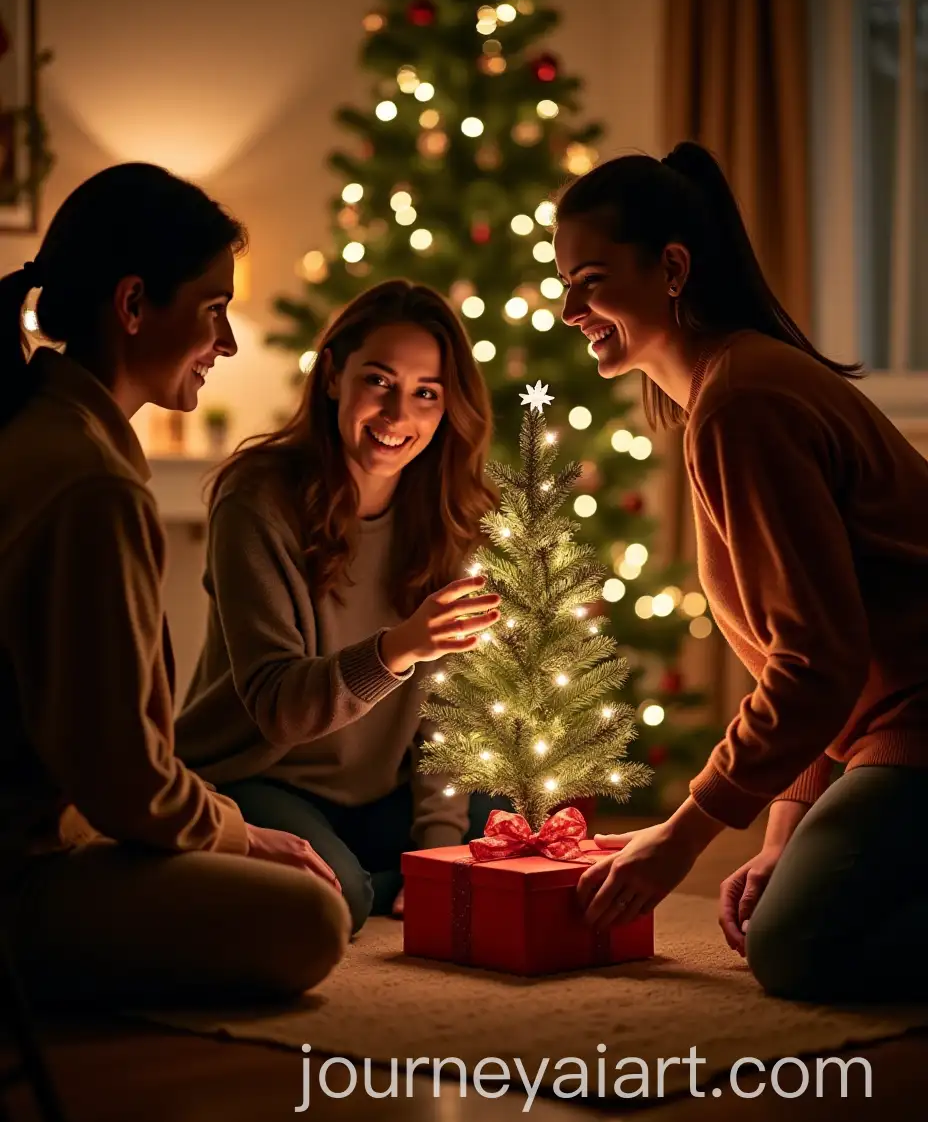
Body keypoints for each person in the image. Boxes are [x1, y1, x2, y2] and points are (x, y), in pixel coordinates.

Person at [553, 142, 928, 1003]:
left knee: (799, 951)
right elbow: (803, 656)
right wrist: (781, 834)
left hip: (919, 723)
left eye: (592, 279)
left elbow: (818, 663)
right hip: (876, 732)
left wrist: (685, 834)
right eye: (566, 282)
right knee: (791, 915)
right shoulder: (728, 392)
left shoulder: (744, 404)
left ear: (673, 268)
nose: (570, 308)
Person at [0, 163, 351, 1008]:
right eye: (212, 310)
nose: (226, 344)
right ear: (131, 306)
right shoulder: (92, 485)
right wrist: (238, 835)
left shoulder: (40, 431)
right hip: (24, 873)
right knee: (310, 914)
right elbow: (126, 784)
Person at [175, 279, 505, 934]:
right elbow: (278, 705)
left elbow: (445, 722)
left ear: (447, 409)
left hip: (375, 790)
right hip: (258, 776)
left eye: (425, 394)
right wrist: (400, 646)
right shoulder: (257, 499)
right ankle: (368, 884)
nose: (396, 414)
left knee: (502, 827)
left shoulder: (453, 519)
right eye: (377, 381)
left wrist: (436, 851)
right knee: (334, 902)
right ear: (332, 376)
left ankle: (384, 873)